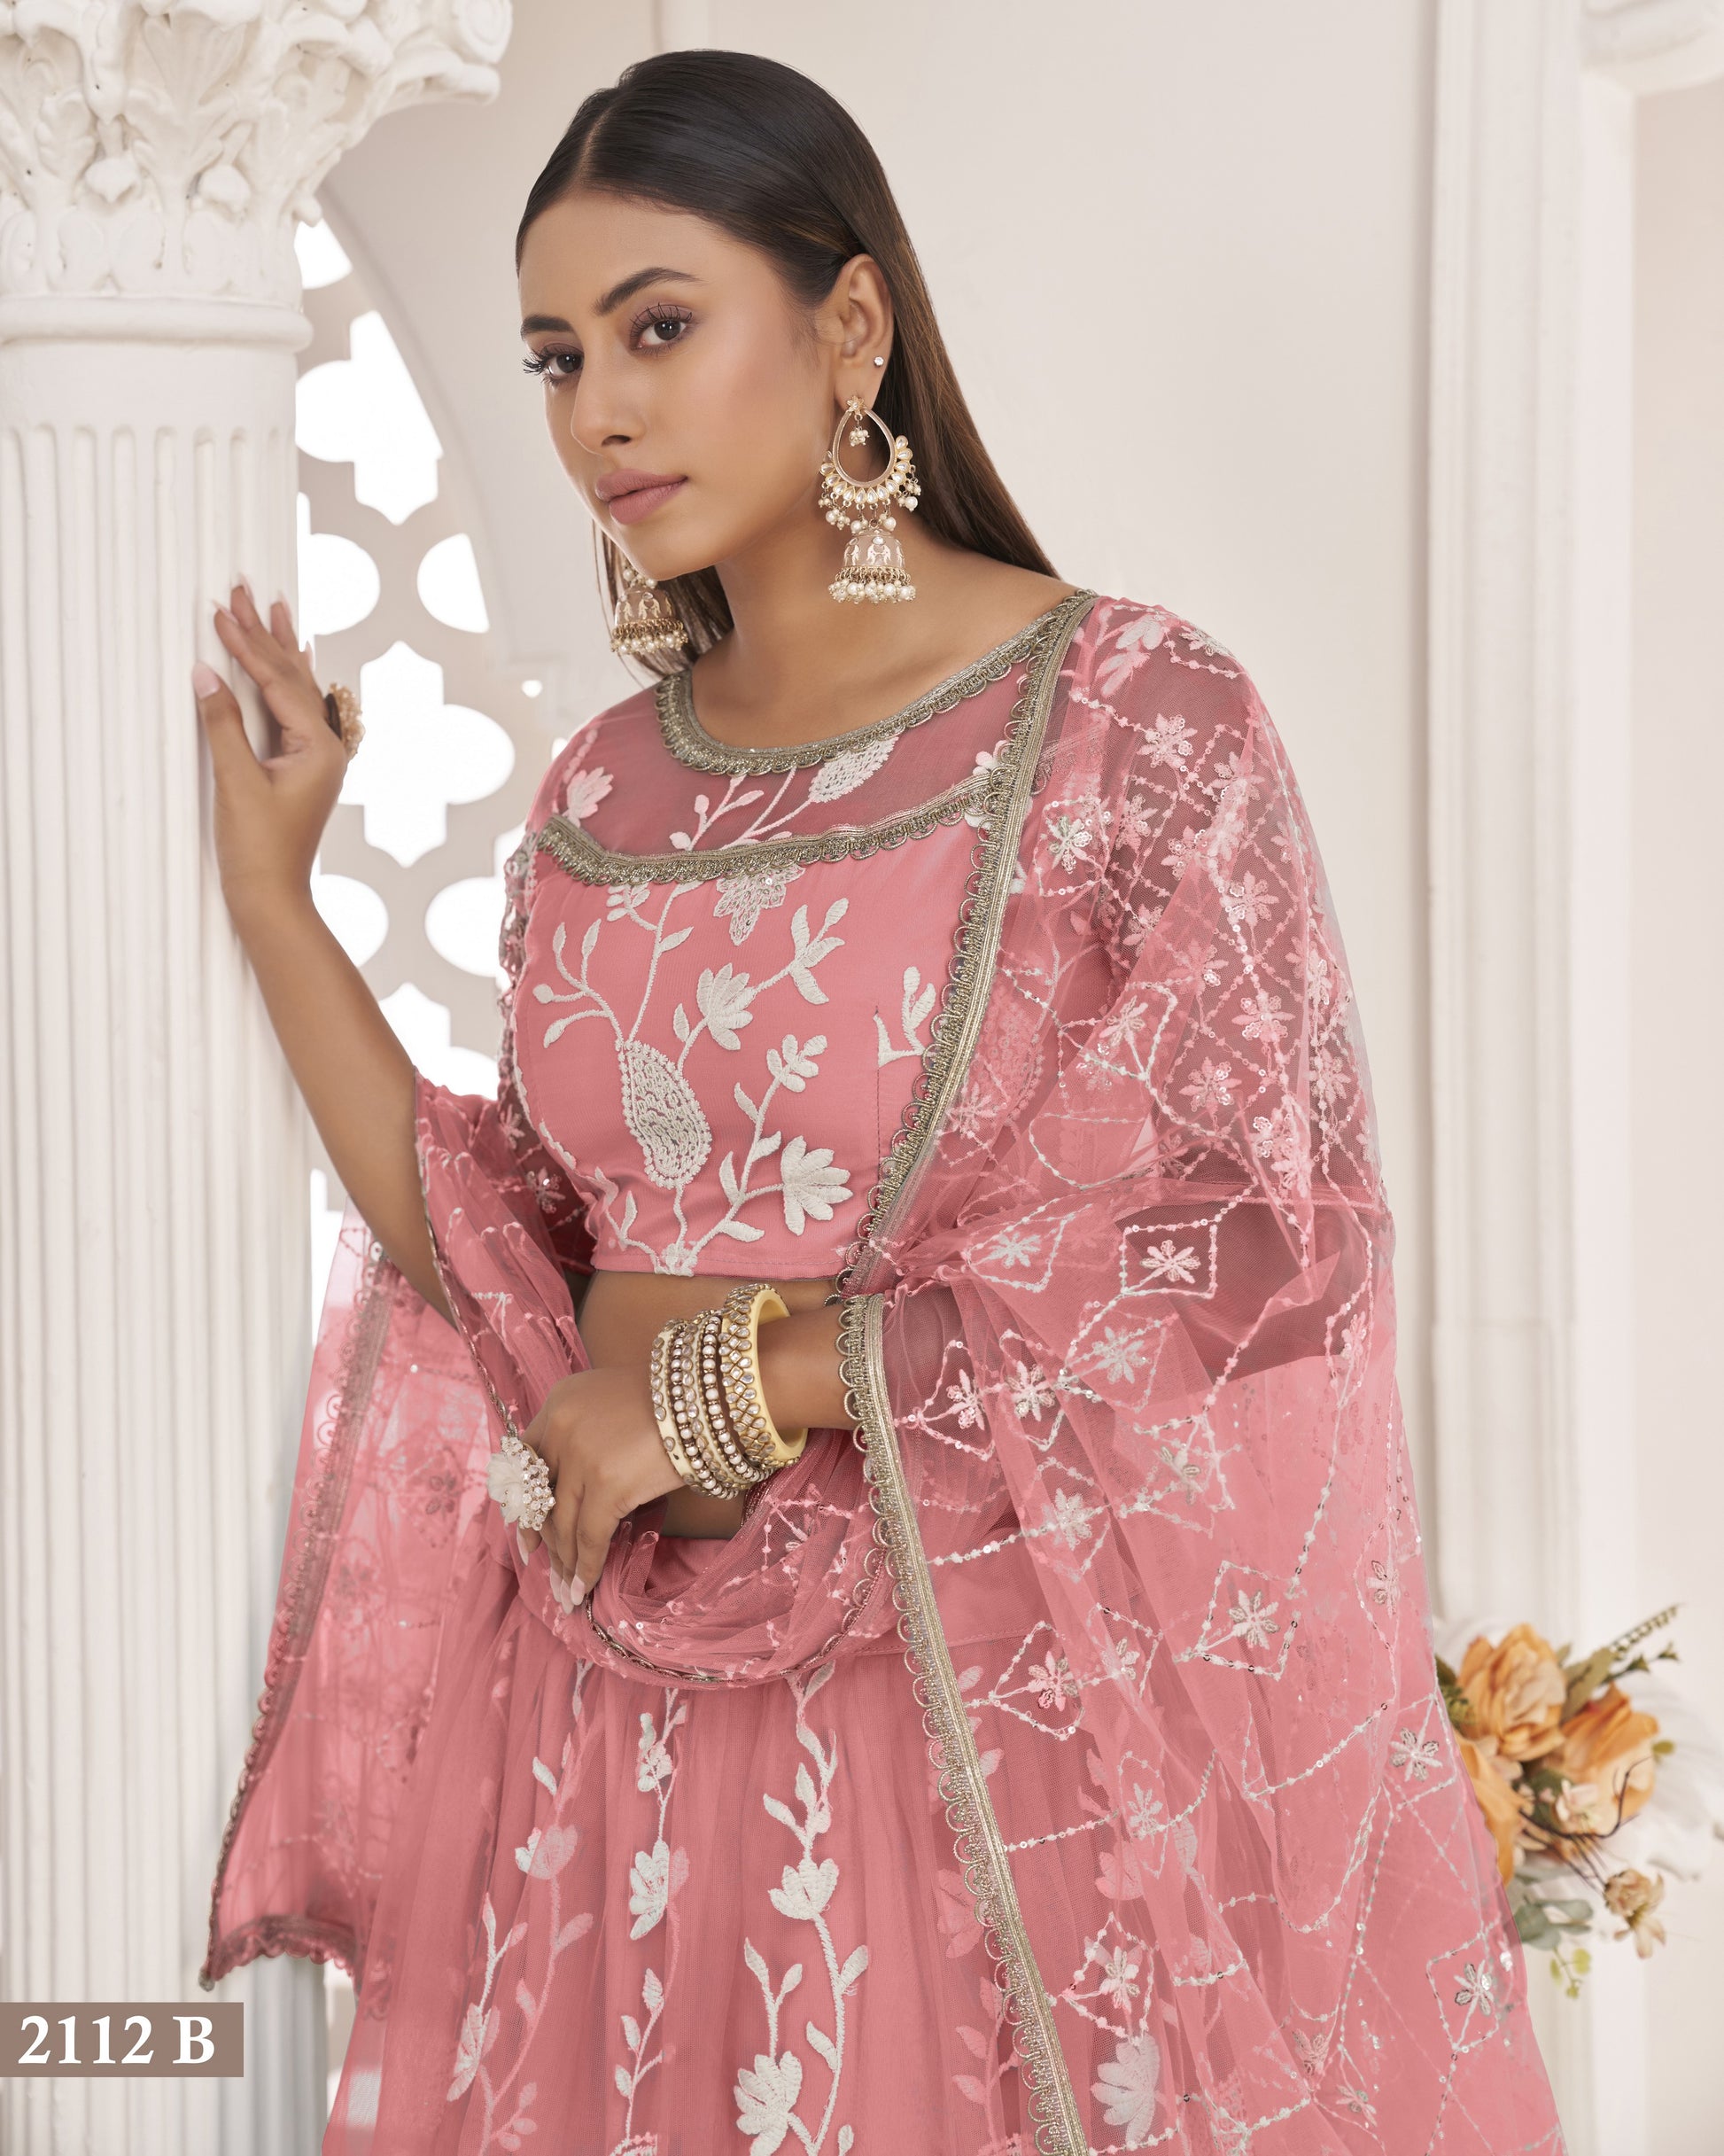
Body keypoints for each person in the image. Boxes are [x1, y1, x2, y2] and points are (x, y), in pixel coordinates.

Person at [196, 49, 1565, 2156]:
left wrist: (748, 1381)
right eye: (559, 357)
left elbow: (1262, 1245)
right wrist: (277, 893)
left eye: (661, 326)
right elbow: (494, 1257)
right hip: (602, 1740)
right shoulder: (601, 793)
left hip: (948, 1735)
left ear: (850, 328)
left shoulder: (1123, 720)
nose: (599, 413)